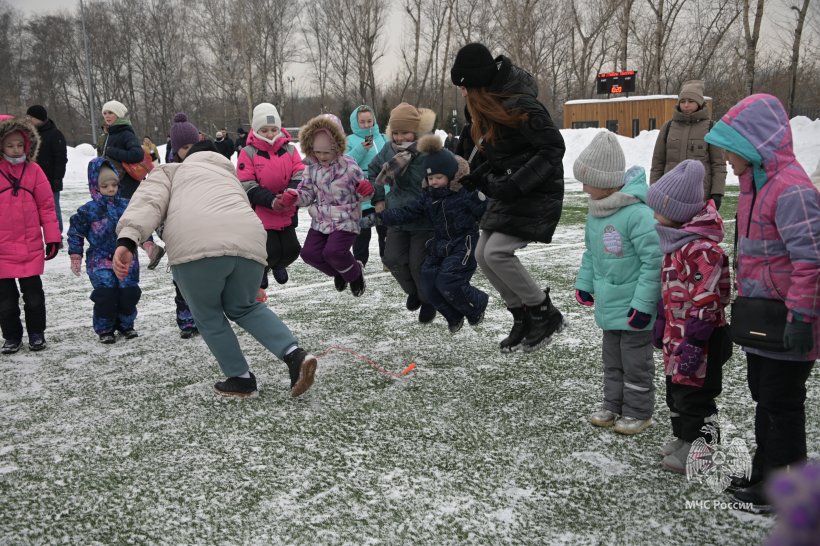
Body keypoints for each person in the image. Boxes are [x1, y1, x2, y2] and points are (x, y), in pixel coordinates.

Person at [113, 112, 318, 399]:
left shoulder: (170, 171)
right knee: (245, 307)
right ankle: (294, 354)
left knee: (208, 315)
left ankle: (240, 378)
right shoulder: (228, 175)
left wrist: (127, 239)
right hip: (250, 243)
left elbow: (148, 202)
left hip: (196, 246)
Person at [704, 93, 820, 512]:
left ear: (754, 147)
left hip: (788, 321)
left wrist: (801, 317)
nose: (727, 160)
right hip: (762, 319)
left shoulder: (791, 191)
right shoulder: (757, 188)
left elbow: (811, 260)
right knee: (766, 398)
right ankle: (766, 470)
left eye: (732, 150)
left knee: (781, 403)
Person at [451, 42, 566, 353]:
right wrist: (477, 175)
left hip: (537, 190)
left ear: (477, 82)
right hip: (512, 188)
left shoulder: (521, 104)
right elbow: (502, 154)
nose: (462, 92)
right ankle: (521, 315)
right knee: (482, 254)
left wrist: (516, 183)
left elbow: (553, 148)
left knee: (498, 252)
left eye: (464, 86)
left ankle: (545, 312)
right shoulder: (490, 106)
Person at [646, 159, 732, 469]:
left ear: (678, 211)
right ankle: (684, 438)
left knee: (696, 395)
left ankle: (702, 450)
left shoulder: (702, 249)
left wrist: (695, 342)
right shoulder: (676, 244)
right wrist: (661, 320)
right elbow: (669, 288)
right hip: (677, 332)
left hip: (700, 339)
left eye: (659, 209)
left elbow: (708, 299)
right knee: (677, 390)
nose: (654, 216)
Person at [573, 132, 661, 435]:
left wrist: (644, 305)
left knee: (636, 362)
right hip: (609, 306)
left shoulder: (638, 215)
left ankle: (638, 412)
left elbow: (654, 262)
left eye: (587, 182)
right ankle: (613, 405)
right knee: (612, 360)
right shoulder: (596, 212)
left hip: (634, 308)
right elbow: (591, 252)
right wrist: (585, 283)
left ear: (606, 181)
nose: (583, 188)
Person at [362, 134, 488, 333]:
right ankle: (453, 316)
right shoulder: (428, 197)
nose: (434, 182)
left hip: (463, 244)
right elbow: (406, 212)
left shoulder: (464, 193)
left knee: (447, 281)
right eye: (430, 178)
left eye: (438, 177)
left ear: (450, 175)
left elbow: (486, 210)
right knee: (427, 282)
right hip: (440, 244)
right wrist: (378, 218)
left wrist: (484, 203)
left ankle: (478, 304)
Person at [275, 115, 372, 296]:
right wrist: (294, 197)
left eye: (326, 152)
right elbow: (306, 193)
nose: (321, 157)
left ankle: (355, 273)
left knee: (333, 252)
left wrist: (365, 190)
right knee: (309, 254)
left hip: (345, 218)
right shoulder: (312, 167)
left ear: (338, 147)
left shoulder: (349, 166)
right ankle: (340, 272)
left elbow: (363, 193)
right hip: (321, 218)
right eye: (317, 152)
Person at [368, 103, 438, 323]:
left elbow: (447, 171)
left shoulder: (428, 149)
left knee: (418, 264)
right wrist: (379, 198)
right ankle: (413, 292)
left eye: (405, 132)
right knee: (392, 259)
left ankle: (427, 301)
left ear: (416, 131)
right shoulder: (388, 150)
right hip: (396, 214)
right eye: (396, 132)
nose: (399, 138)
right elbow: (373, 170)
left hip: (422, 218)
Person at [0, 116, 61, 354]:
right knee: (5, 301)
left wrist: (52, 237)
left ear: (28, 145)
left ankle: (36, 333)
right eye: (10, 145)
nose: (16, 150)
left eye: (19, 144)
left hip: (30, 246)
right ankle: (11, 336)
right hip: (2, 249)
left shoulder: (34, 171)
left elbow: (47, 207)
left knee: (34, 297)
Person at [67, 158, 143, 343]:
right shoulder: (88, 211)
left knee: (129, 293)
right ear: (95, 186)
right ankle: (105, 329)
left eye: (114, 185)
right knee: (106, 295)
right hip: (99, 260)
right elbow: (76, 232)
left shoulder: (127, 205)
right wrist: (75, 255)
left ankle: (126, 325)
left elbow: (139, 225)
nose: (111, 189)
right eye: (105, 186)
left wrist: (147, 244)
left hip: (127, 258)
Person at [236, 103, 304, 299]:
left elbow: (300, 172)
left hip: (287, 208)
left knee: (292, 250)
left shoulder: (290, 149)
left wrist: (290, 193)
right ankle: (264, 269)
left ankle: (280, 265)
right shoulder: (248, 152)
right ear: (256, 130)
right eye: (264, 130)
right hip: (263, 210)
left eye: (273, 129)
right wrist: (271, 200)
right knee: (269, 250)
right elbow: (246, 183)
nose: (270, 133)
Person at [99, 100, 165, 270]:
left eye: (110, 112)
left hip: (126, 184)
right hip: (114, 183)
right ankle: (145, 249)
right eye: (105, 113)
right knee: (121, 220)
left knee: (131, 219)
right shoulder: (110, 133)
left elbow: (136, 154)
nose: (107, 116)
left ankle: (150, 248)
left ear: (118, 114)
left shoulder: (125, 132)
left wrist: (112, 152)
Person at [650, 80, 727, 210]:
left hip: (700, 197)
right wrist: (654, 188)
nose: (686, 105)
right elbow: (658, 163)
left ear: (699, 103)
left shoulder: (711, 128)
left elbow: (718, 164)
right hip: (670, 196)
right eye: (682, 101)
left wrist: (717, 193)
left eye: (691, 101)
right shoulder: (668, 127)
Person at [346, 105, 388, 268]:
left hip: (384, 192)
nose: (366, 125)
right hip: (362, 195)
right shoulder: (350, 140)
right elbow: (345, 161)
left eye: (369, 121)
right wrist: (361, 149)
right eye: (362, 122)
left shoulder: (383, 138)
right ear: (355, 123)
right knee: (362, 233)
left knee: (385, 229)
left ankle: (387, 259)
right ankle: (359, 262)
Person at [26, 105, 67, 235]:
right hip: (31, 180)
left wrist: (57, 179)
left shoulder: (55, 134)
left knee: (52, 209)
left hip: (50, 180)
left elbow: (61, 159)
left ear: (39, 118)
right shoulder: (29, 133)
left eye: (31, 117)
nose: (29, 120)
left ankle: (57, 235)